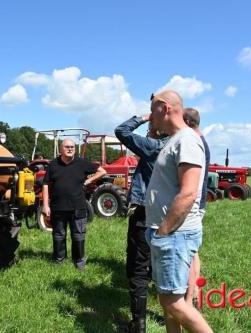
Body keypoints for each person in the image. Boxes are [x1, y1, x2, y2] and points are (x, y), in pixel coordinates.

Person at [145, 90, 213, 333]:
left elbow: (188, 193)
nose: (150, 117)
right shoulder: (174, 139)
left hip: (174, 234)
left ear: (164, 107)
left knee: (173, 303)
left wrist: (163, 232)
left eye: (152, 110)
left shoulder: (186, 140)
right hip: (168, 233)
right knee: (168, 301)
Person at [115, 114, 168, 333]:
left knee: (138, 268)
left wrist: (145, 117)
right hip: (171, 214)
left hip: (147, 214)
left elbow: (122, 131)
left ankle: (138, 324)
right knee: (166, 267)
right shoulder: (180, 144)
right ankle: (173, 315)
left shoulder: (154, 147)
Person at [42, 139, 106, 269]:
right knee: (59, 235)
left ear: (75, 149)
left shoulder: (81, 163)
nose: (70, 149)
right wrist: (45, 205)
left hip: (78, 207)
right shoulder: (53, 165)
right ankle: (59, 261)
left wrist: (89, 181)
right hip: (58, 207)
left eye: (72, 147)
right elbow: (45, 184)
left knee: (78, 235)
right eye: (67, 147)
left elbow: (102, 171)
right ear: (61, 149)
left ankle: (79, 262)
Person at [183, 108, 210, 308]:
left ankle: (192, 294)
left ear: (188, 122)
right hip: (198, 201)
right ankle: (194, 291)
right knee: (192, 251)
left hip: (194, 202)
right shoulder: (200, 140)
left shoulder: (196, 142)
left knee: (190, 250)